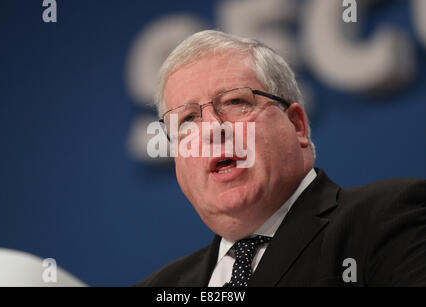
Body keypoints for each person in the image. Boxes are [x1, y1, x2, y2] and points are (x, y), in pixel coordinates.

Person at [137, 30, 426, 287]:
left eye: (235, 102)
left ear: (297, 125)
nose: (212, 129)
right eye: (187, 120)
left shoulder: (389, 218)